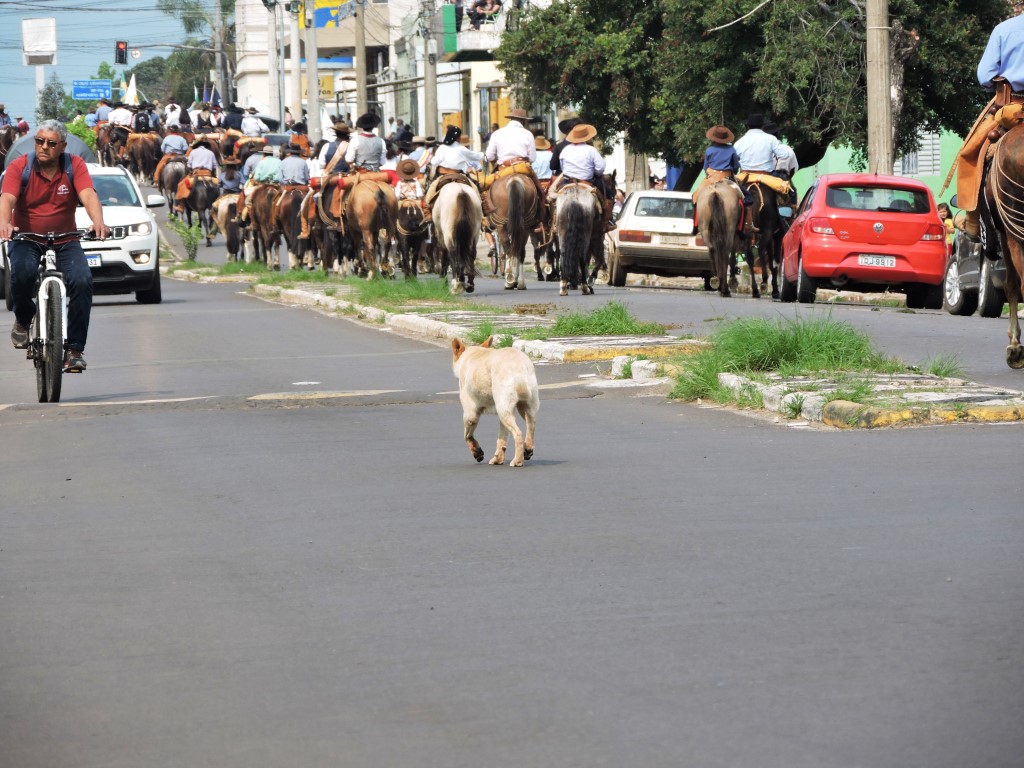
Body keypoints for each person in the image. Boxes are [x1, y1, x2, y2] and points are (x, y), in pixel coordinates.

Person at [0, 120, 110, 372]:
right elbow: (7, 197)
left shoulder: (74, 165)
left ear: (62, 147)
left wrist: (99, 222)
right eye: (39, 141)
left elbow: (88, 194)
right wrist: (4, 224)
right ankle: (23, 319)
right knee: (22, 275)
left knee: (82, 281)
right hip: (26, 237)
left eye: (51, 143)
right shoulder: (21, 166)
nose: (44, 147)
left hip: (66, 238)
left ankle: (74, 350)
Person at [175, 138, 218, 212]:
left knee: (181, 185)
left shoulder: (193, 152)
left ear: (197, 145)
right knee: (219, 187)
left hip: (196, 174)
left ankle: (181, 205)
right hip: (208, 174)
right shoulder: (211, 153)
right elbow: (214, 166)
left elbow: (189, 165)